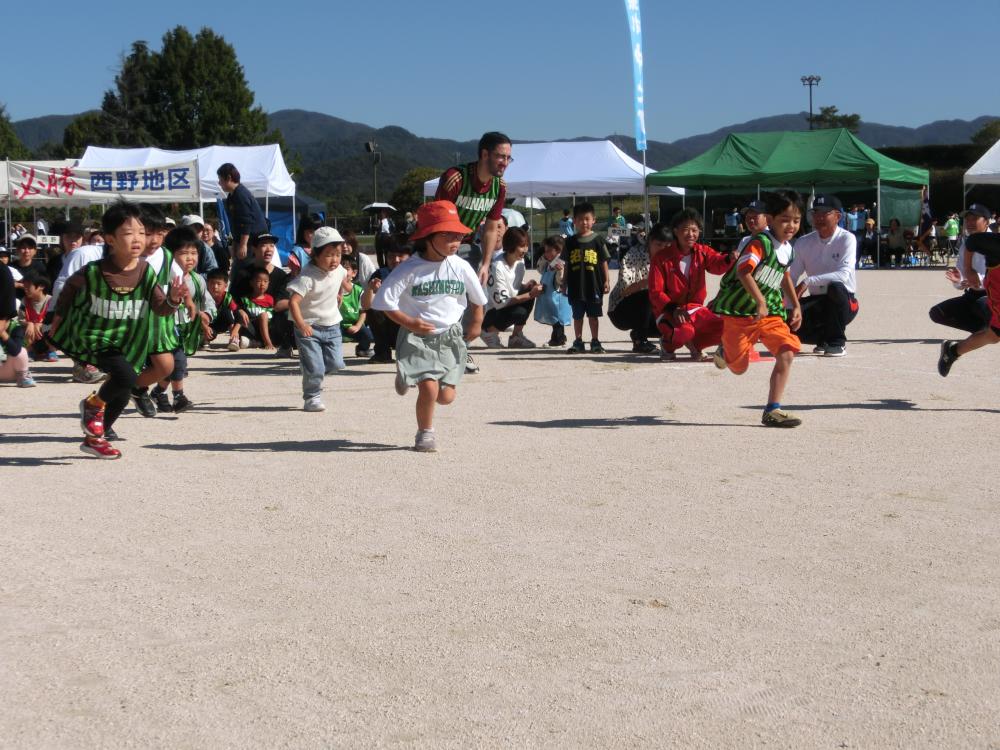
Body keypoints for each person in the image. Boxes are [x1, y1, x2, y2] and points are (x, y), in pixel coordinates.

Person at [51, 200, 188, 458]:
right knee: (125, 378)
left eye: (141, 233)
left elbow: (160, 307)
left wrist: (174, 300)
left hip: (128, 340)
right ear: (110, 239)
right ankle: (93, 405)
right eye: (128, 233)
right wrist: (58, 316)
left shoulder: (146, 271)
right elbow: (69, 287)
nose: (138, 239)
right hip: (97, 336)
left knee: (123, 394)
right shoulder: (94, 271)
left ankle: (94, 438)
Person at [371, 200, 486, 452]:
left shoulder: (460, 266)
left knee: (446, 397)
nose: (456, 240)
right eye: (448, 235)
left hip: (451, 337)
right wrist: (409, 322)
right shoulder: (409, 269)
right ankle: (425, 433)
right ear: (427, 236)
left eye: (459, 235)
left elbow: (478, 299)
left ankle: (406, 375)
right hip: (417, 337)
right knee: (430, 388)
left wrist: (476, 322)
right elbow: (383, 302)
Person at [711, 190, 804, 428]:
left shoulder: (789, 249)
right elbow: (744, 270)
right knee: (739, 368)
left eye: (796, 220)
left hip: (771, 313)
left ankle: (773, 409)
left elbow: (784, 275)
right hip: (741, 314)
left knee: (786, 352)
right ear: (771, 219)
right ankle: (725, 352)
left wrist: (795, 304)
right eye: (785, 219)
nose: (791, 225)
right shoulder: (759, 243)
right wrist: (759, 301)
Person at [434, 132, 512, 375]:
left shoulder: (499, 187)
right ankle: (431, 350)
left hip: (468, 245)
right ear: (484, 154)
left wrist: (486, 262)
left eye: (509, 158)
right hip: (439, 244)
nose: (505, 163)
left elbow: (491, 226)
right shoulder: (455, 178)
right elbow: (437, 218)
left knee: (472, 298)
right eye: (501, 156)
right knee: (440, 298)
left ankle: (460, 347)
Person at [648, 211, 733, 361]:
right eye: (686, 229)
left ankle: (696, 345)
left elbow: (717, 265)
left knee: (726, 326)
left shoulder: (703, 252)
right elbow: (656, 292)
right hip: (668, 311)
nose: (691, 234)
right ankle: (667, 345)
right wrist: (673, 309)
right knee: (684, 331)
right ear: (675, 231)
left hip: (694, 309)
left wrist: (729, 258)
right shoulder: (661, 258)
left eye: (695, 230)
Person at [150, 228, 216, 413]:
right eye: (184, 253)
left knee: (172, 365)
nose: (190, 258)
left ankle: (158, 392)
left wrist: (207, 315)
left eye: (194, 253)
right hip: (165, 329)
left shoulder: (198, 280)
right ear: (170, 255)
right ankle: (179, 396)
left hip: (185, 330)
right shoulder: (163, 277)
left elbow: (207, 302)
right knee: (178, 362)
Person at [288, 226, 351, 412]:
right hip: (309, 327)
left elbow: (342, 281)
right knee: (316, 368)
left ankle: (310, 366)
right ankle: (312, 397)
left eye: (338, 254)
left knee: (336, 364)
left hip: (332, 325)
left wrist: (343, 291)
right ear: (315, 254)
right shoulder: (307, 276)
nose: (335, 259)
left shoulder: (338, 269)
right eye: (329, 254)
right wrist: (301, 324)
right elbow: (293, 302)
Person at [788, 194, 859, 357]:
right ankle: (823, 338)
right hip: (817, 301)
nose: (819, 218)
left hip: (844, 301)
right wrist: (784, 307)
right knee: (784, 321)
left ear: (838, 216)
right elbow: (791, 277)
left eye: (825, 213)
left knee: (835, 287)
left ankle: (836, 342)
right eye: (815, 213)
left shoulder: (847, 239)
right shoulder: (803, 242)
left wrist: (808, 281)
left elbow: (843, 275)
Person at [937, 232, 1000, 377]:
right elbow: (972, 241)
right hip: (996, 291)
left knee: (993, 336)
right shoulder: (995, 244)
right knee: (995, 334)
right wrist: (968, 270)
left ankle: (952, 351)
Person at [928, 204, 993, 334]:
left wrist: (977, 280)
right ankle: (983, 331)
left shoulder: (995, 243)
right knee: (937, 313)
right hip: (973, 294)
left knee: (981, 305)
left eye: (974, 219)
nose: (969, 223)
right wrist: (959, 280)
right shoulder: (966, 244)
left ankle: (993, 330)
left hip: (993, 295)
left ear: (986, 222)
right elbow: (962, 275)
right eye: (967, 219)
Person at [230, 232, 295, 356]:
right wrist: (239, 310)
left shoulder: (281, 275)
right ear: (254, 248)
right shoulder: (243, 274)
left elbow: (280, 303)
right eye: (264, 245)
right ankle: (254, 341)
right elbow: (231, 298)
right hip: (249, 323)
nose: (269, 249)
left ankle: (257, 342)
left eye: (271, 245)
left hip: (272, 323)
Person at [481, 227, 542, 349]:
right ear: (510, 246)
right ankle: (488, 332)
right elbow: (502, 302)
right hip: (493, 312)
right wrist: (530, 294)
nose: (525, 250)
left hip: (507, 305)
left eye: (526, 245)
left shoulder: (520, 262)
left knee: (529, 291)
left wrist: (527, 286)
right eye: (522, 246)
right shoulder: (497, 266)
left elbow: (514, 285)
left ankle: (516, 337)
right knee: (520, 311)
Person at [561, 202, 610, 354]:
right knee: (577, 316)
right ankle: (578, 341)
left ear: (594, 220)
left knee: (593, 316)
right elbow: (567, 264)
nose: (584, 222)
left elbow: (604, 262)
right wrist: (564, 282)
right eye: (580, 219)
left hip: (594, 284)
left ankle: (595, 341)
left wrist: (606, 280)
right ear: (574, 221)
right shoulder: (570, 242)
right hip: (576, 285)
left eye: (587, 219)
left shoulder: (598, 240)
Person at [607, 223, 660, 355]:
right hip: (621, 309)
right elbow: (624, 290)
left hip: (651, 309)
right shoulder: (634, 254)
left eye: (667, 245)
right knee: (648, 294)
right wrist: (648, 281)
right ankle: (640, 341)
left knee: (672, 326)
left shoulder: (670, 259)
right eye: (658, 244)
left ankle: (639, 333)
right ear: (650, 242)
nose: (663, 249)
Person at [360, 238, 412, 364]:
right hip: (392, 325)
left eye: (400, 256)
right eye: (391, 256)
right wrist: (370, 290)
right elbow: (366, 306)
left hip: (413, 325)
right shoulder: (380, 274)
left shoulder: (419, 273)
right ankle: (382, 353)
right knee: (374, 309)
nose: (396, 260)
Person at [217, 163, 268, 266]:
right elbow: (236, 224)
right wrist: (235, 243)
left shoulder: (240, 194)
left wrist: (243, 244)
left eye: (220, 179)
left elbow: (246, 221)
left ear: (229, 178)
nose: (219, 183)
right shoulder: (232, 195)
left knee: (245, 270)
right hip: (242, 239)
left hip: (252, 241)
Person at [0, 260, 35, 387]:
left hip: (10, 370)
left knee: (22, 352)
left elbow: (15, 351)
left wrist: (3, 334)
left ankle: (23, 376)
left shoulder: (16, 328)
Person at [534, 236, 572, 347]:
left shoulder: (561, 263)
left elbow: (561, 281)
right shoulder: (549, 262)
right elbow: (540, 270)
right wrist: (544, 258)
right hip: (550, 297)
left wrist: (560, 271)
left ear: (559, 251)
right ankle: (558, 338)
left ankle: (558, 339)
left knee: (558, 320)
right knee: (554, 320)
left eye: (548, 251)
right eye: (545, 251)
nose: (545, 253)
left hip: (557, 298)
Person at [232, 268, 276, 350]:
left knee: (264, 315)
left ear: (269, 283)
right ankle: (259, 342)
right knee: (241, 315)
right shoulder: (246, 300)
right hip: (252, 328)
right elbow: (240, 316)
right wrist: (235, 330)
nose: (262, 284)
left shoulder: (271, 299)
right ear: (251, 283)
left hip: (269, 329)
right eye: (259, 281)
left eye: (265, 281)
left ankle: (265, 342)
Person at [18, 272, 58, 362]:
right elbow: (20, 320)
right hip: (31, 337)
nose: (26, 290)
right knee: (22, 328)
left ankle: (51, 351)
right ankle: (30, 351)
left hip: (46, 336)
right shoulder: (25, 301)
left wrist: (41, 324)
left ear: (41, 287)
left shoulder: (51, 300)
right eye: (24, 287)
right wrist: (29, 323)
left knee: (53, 328)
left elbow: (55, 319)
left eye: (28, 287)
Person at [338, 257, 374, 357]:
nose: (342, 272)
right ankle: (332, 353)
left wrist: (357, 326)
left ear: (354, 273)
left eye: (346, 269)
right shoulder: (332, 288)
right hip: (338, 324)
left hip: (354, 322)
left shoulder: (358, 290)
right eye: (339, 268)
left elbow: (363, 311)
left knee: (368, 335)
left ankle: (362, 349)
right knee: (332, 336)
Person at [206, 269, 237, 342]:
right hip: (208, 325)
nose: (215, 287)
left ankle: (234, 339)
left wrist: (235, 331)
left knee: (226, 311)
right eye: (212, 283)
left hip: (222, 323)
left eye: (219, 284)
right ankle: (202, 339)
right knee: (210, 335)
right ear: (207, 283)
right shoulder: (204, 296)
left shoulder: (227, 297)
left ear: (225, 286)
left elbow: (236, 313)